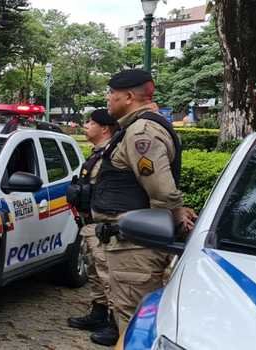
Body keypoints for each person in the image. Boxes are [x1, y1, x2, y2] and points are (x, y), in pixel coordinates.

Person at [90, 69, 197, 346]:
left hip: (134, 246)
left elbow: (161, 188)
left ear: (127, 97)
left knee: (134, 323)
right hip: (130, 244)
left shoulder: (142, 131)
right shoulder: (137, 126)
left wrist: (174, 214)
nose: (108, 101)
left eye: (111, 96)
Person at [65, 109, 119, 340]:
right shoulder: (97, 154)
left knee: (109, 275)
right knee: (96, 271)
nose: (86, 125)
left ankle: (115, 323)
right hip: (90, 223)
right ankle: (98, 313)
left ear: (104, 128)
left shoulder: (113, 156)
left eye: (91, 122)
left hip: (104, 225)